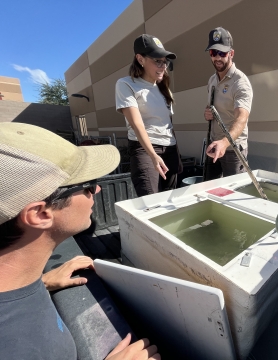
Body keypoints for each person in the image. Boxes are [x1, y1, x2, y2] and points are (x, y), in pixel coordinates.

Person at [0, 122, 160, 360]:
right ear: (40, 214)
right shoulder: (19, 345)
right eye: (86, 186)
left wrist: (40, 283)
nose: (96, 190)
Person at [116, 34, 182, 196]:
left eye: (165, 62)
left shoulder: (163, 88)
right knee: (150, 202)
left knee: (169, 201)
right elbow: (136, 124)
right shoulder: (126, 84)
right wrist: (153, 156)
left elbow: (168, 124)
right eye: (157, 61)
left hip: (170, 149)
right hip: (145, 151)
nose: (163, 66)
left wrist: (176, 155)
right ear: (140, 59)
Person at [204, 27, 253, 180]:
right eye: (213, 53)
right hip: (213, 146)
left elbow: (241, 119)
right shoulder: (212, 80)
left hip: (233, 150)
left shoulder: (240, 82)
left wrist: (224, 143)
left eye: (222, 53)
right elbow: (215, 109)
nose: (217, 58)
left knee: (233, 193)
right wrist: (208, 113)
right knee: (209, 191)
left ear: (231, 53)